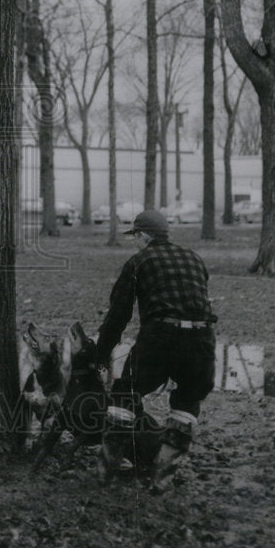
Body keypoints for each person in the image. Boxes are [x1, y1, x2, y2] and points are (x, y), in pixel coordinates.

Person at [95, 208, 217, 489]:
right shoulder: (194, 258)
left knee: (124, 394)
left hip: (161, 336)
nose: (135, 242)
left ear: (143, 235)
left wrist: (101, 353)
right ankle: (164, 476)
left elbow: (118, 315)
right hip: (202, 337)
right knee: (187, 401)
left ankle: (106, 472)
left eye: (135, 236)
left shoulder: (138, 262)